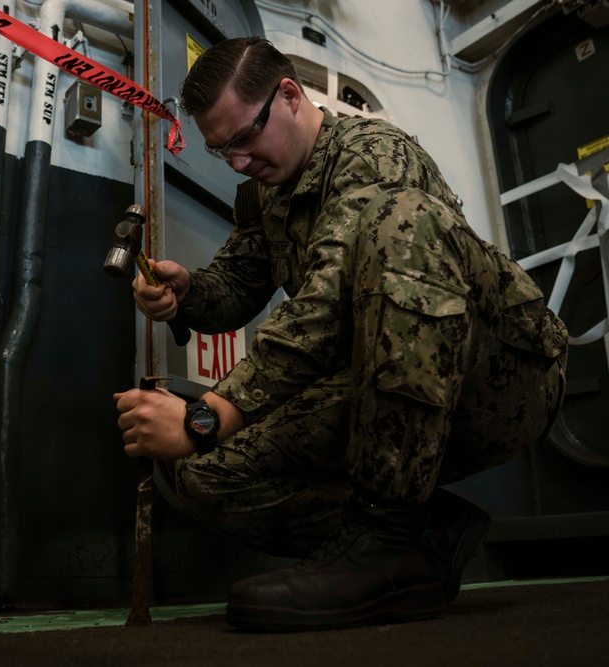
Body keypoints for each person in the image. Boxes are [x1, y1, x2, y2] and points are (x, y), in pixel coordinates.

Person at [113, 36, 567, 632]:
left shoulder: (375, 156)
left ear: (290, 96)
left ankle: (387, 529)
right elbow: (237, 285)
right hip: (380, 389)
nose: (240, 163)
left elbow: (323, 308)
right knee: (208, 475)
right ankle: (415, 541)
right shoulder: (269, 194)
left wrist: (206, 417)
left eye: (245, 139)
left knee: (399, 220)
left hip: (498, 376)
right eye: (223, 152)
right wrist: (186, 294)